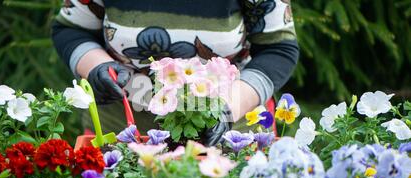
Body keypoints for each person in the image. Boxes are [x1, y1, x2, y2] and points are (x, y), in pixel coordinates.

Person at [51, 0, 299, 146]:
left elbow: (278, 49)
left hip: (233, 130)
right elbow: (71, 29)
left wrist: (226, 109)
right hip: (122, 130)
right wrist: (96, 66)